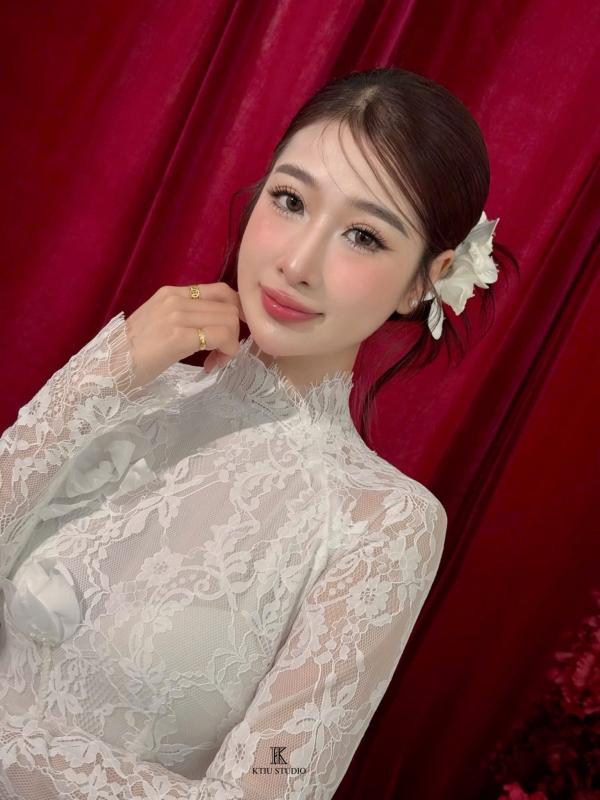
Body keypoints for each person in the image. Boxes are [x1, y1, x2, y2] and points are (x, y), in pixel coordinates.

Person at [0, 67, 511, 799]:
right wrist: (95, 381)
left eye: (363, 235)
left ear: (424, 281)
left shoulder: (381, 525)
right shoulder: (124, 395)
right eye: (290, 200)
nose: (296, 263)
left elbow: (269, 788)